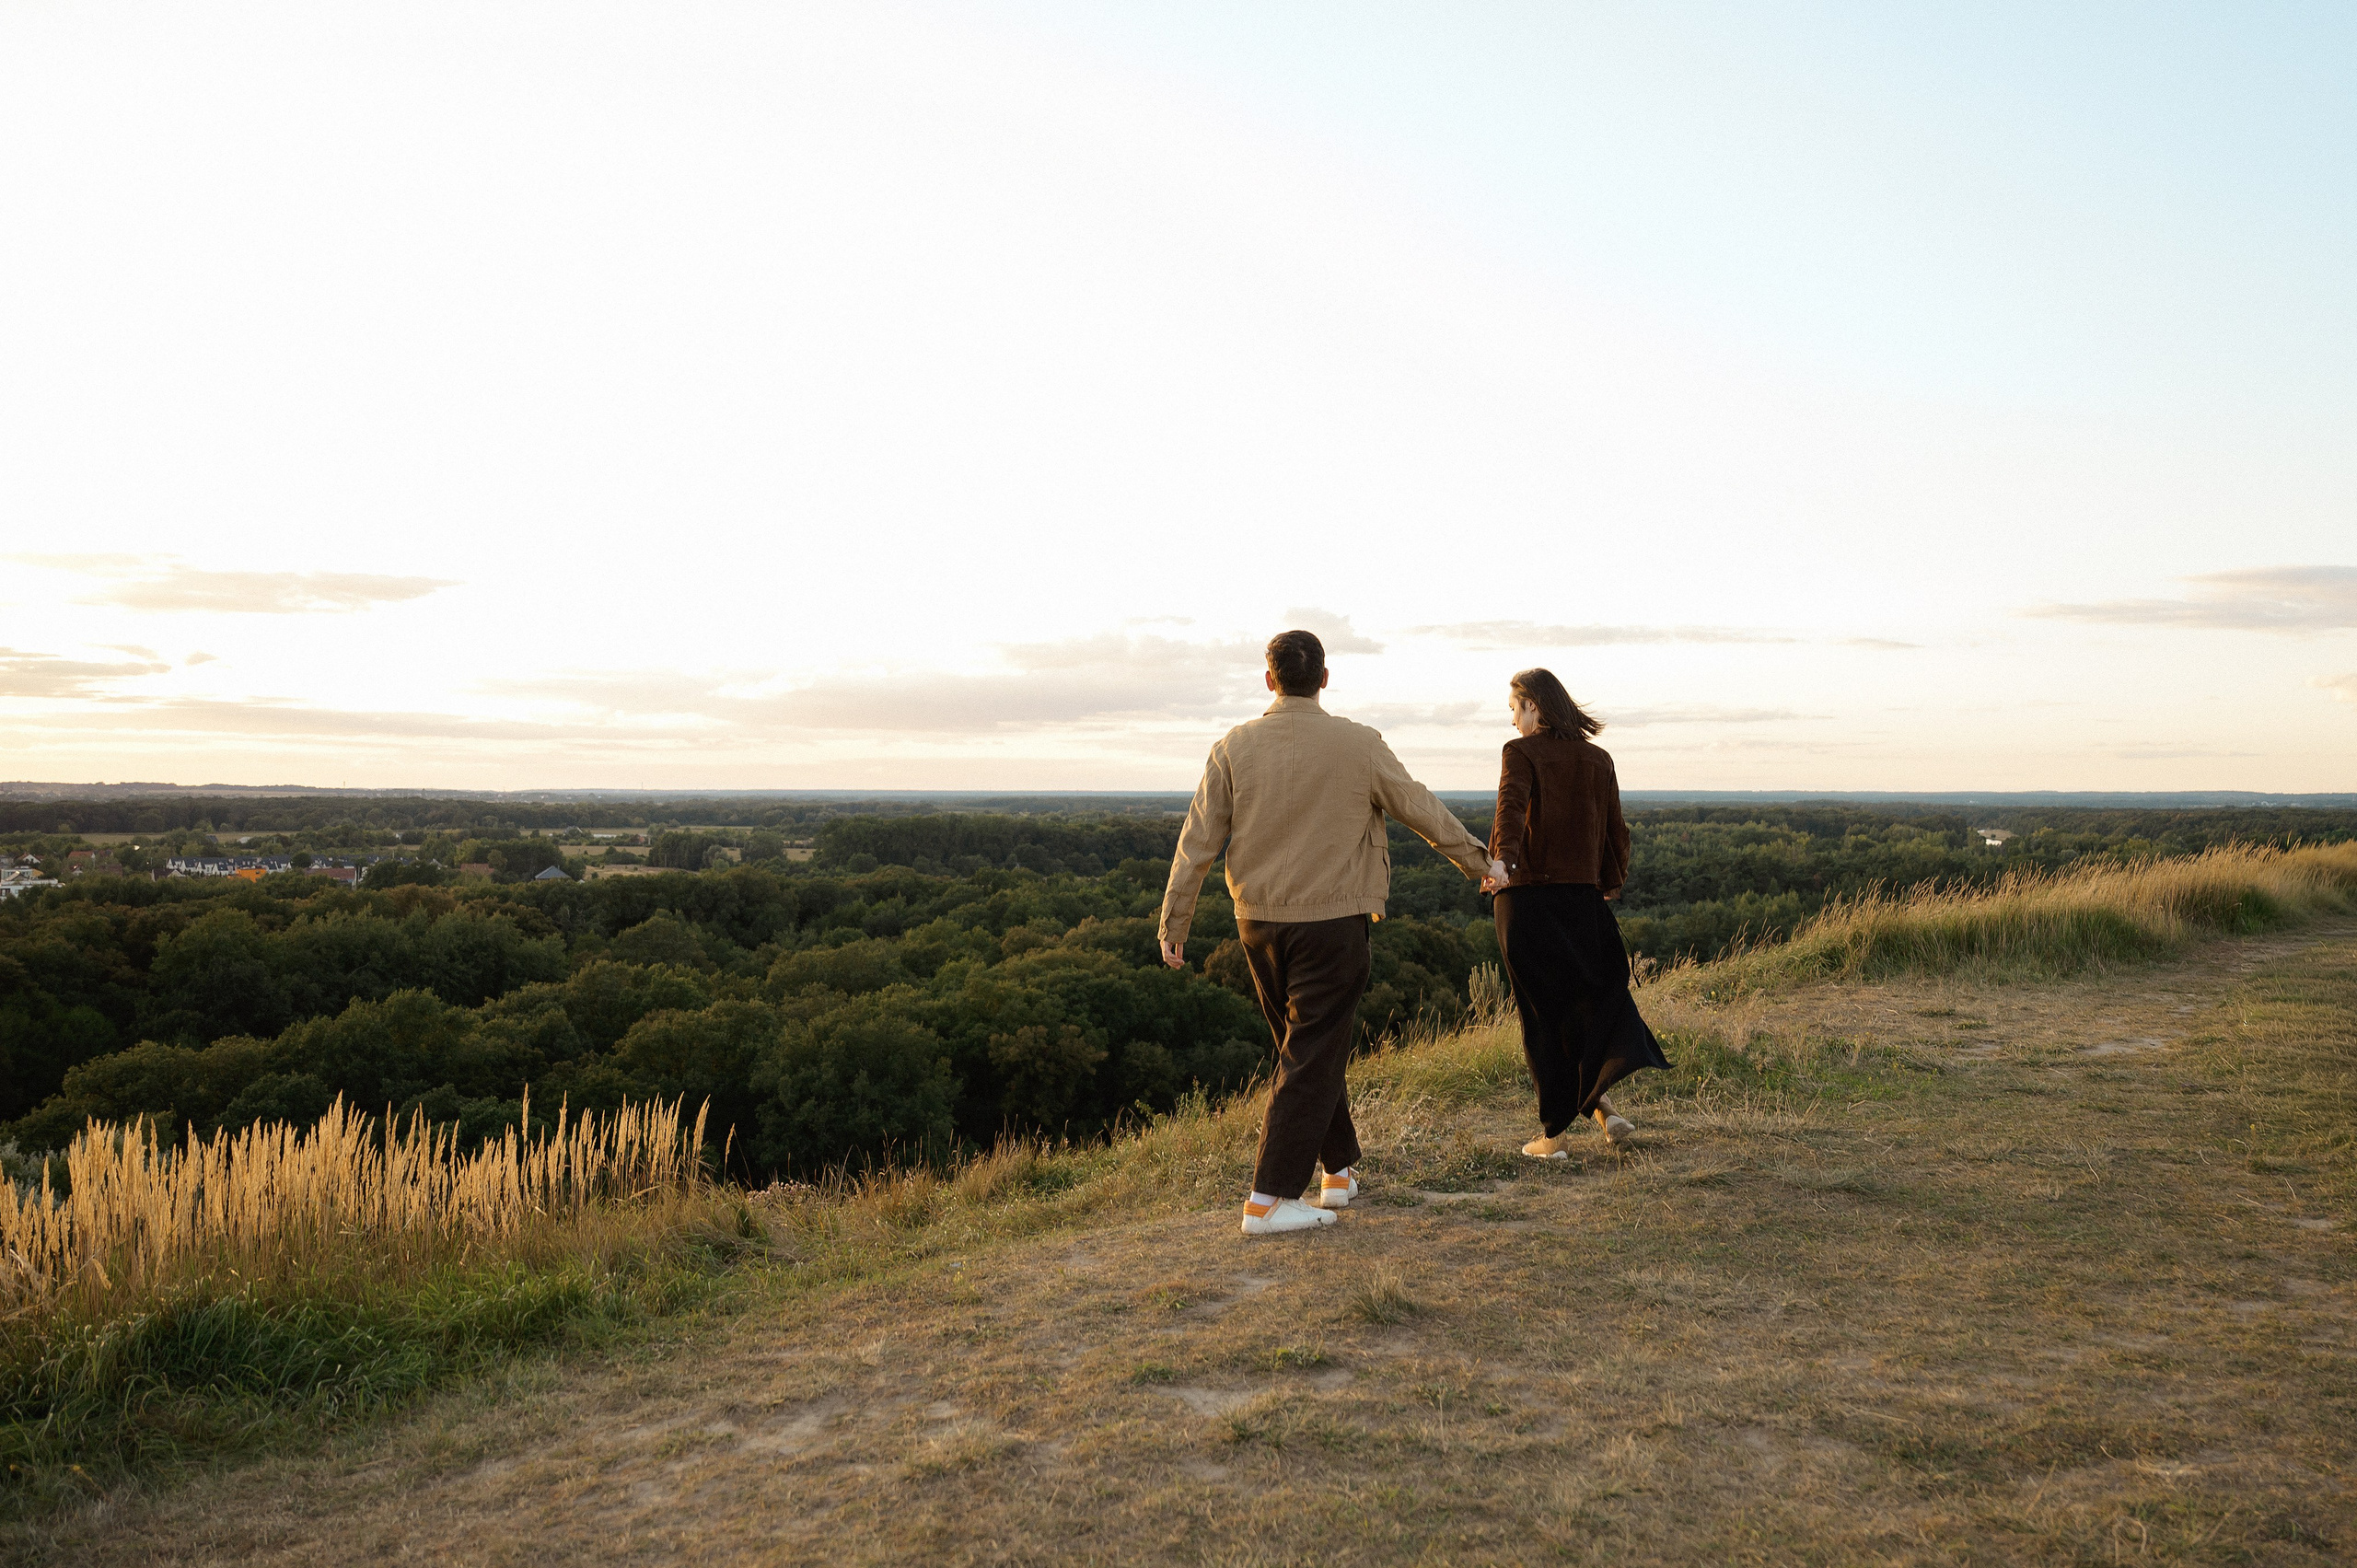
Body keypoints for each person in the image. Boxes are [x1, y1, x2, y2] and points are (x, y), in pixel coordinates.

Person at [1161, 629, 1505, 1236]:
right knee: (1312, 1052)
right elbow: (1419, 807)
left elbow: (1196, 843)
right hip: (1333, 923)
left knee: (1308, 1049)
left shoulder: (1231, 748)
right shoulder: (1358, 743)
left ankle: (1338, 1170)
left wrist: (1175, 921)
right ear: (1324, 678)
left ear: (1269, 680)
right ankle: (1268, 1199)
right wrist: (1482, 862)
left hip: (1256, 924)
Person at [1479, 668, 1671, 1158]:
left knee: (1543, 1016)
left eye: (1515, 709)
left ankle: (1553, 1137)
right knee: (1591, 1004)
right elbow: (1616, 832)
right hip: (1584, 902)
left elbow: (1509, 810)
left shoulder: (1519, 752)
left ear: (1534, 707)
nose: (1514, 719)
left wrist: (1503, 864)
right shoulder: (1597, 758)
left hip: (1526, 902)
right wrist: (1610, 882)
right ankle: (1605, 1110)